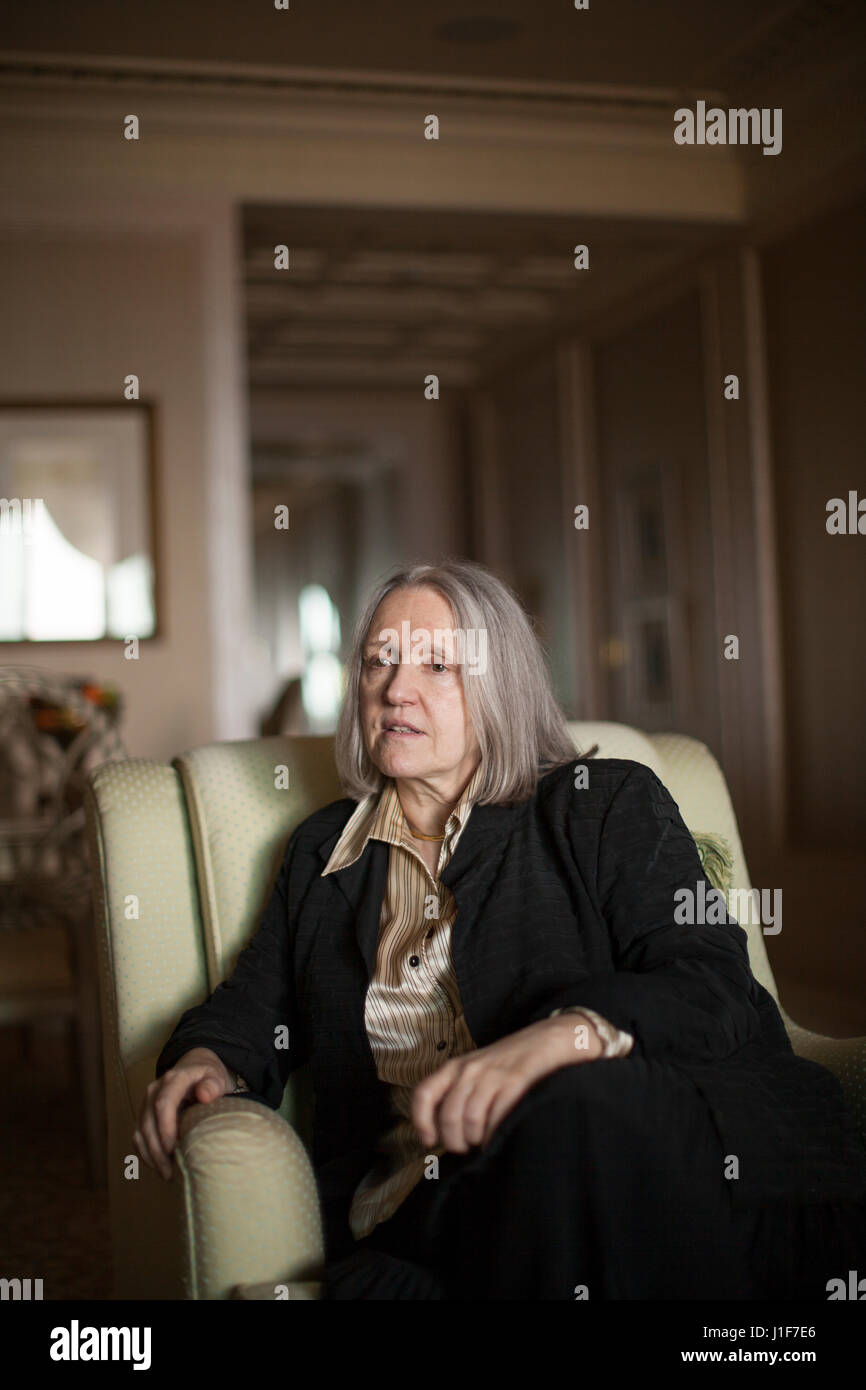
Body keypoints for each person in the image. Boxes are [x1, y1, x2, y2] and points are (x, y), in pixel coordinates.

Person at [136, 558, 866, 1300]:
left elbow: (711, 978)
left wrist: (565, 1036)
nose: (396, 688)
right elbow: (256, 1005)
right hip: (436, 1212)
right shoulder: (323, 853)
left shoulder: (601, 804)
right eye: (379, 661)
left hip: (635, 1163)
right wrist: (209, 1060)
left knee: (580, 1102)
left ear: (500, 688)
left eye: (438, 665)